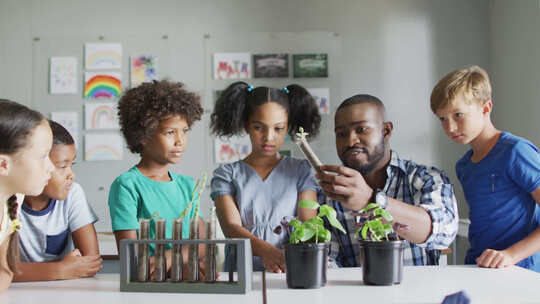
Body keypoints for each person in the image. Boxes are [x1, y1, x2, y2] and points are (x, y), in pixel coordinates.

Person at [318, 94, 458, 267]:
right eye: (341, 134)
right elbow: (330, 260)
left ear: (386, 131)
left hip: (420, 293)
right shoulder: (332, 195)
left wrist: (371, 200)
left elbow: (444, 233)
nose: (350, 141)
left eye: (361, 129)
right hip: (356, 293)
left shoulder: (425, 178)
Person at [431, 65, 540, 272]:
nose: (450, 127)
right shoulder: (463, 166)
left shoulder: (516, 152)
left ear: (485, 108)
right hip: (480, 267)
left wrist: (510, 255)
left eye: (458, 115)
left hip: (520, 271)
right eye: (442, 119)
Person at [210, 82, 321, 273]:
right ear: (246, 126)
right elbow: (231, 227)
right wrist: (267, 252)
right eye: (259, 127)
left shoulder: (302, 170)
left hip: (289, 270)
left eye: (278, 128)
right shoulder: (226, 175)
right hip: (241, 273)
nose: (269, 137)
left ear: (288, 128)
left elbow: (308, 223)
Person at [108, 80, 205, 277]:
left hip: (189, 281)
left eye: (184, 131)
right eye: (170, 132)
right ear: (143, 136)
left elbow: (203, 245)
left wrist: (170, 257)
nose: (180, 141)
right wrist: (185, 256)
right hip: (148, 285)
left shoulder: (188, 186)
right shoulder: (127, 186)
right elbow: (131, 256)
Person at [15, 120, 101, 281]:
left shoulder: (73, 193)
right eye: (62, 166)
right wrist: (61, 269)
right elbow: (4, 270)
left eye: (72, 164)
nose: (71, 175)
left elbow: (91, 263)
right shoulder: (9, 198)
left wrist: (25, 272)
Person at [0, 99, 55, 291]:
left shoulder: (13, 199)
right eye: (43, 156)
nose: (51, 167)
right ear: (3, 165)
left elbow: (4, 274)